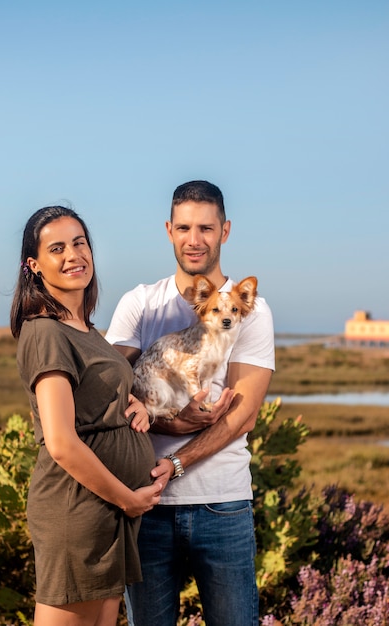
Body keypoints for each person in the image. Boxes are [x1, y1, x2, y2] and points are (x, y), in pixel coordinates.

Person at [105, 180, 275, 626]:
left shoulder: (249, 309)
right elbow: (107, 391)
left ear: (225, 230)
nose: (194, 239)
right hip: (146, 502)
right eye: (183, 227)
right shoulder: (139, 304)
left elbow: (243, 415)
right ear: (168, 230)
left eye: (206, 227)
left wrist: (177, 462)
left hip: (223, 504)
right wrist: (168, 423)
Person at [10, 205, 163, 626]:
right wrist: (128, 499)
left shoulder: (85, 329)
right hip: (78, 509)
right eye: (56, 248)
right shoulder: (45, 331)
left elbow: (98, 400)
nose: (73, 255)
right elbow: (60, 442)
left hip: (107, 512)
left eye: (79, 243)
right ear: (34, 265)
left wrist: (137, 407)